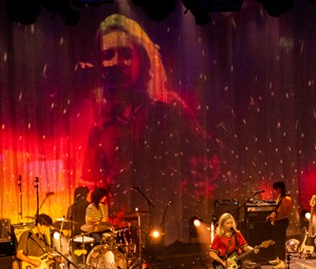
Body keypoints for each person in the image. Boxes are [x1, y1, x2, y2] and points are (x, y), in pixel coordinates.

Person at [80, 14, 221, 245]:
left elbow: (211, 159)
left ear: (142, 59)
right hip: (123, 223)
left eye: (126, 54)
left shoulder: (168, 112)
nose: (117, 62)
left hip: (167, 214)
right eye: (108, 55)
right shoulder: (100, 128)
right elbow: (91, 186)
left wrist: (191, 187)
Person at [265, 180, 293, 269]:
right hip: (278, 221)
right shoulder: (280, 197)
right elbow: (277, 210)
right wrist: (272, 215)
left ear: (280, 188)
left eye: (276, 189)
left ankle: (282, 261)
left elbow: (284, 213)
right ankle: (278, 258)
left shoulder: (286, 199)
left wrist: (275, 217)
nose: (275, 191)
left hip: (282, 222)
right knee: (277, 241)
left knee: (280, 241)